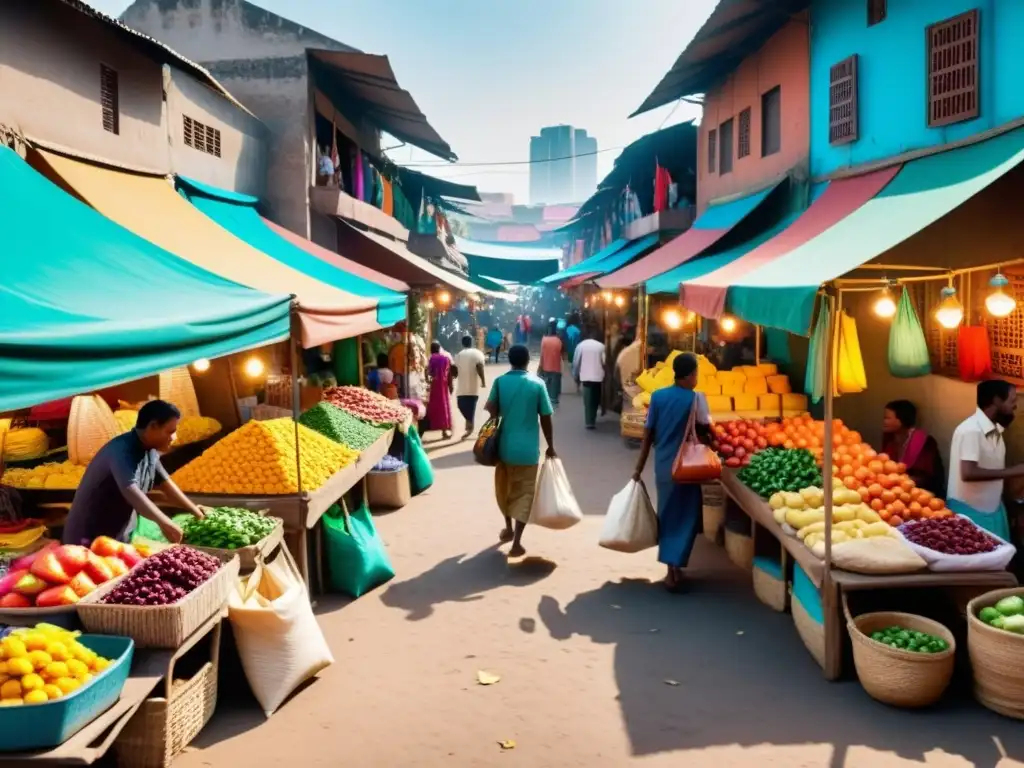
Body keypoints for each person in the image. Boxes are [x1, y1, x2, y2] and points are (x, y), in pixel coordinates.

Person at [63, 400, 204, 546]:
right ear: (153, 426)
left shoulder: (150, 451)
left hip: (117, 536)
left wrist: (194, 510)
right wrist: (164, 523)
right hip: (88, 539)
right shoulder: (121, 451)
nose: (174, 438)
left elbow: (166, 485)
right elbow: (132, 493)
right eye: (170, 432)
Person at [631, 354, 710, 591]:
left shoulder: (657, 397)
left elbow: (648, 435)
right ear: (689, 375)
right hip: (688, 466)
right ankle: (676, 565)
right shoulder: (696, 399)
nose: (697, 378)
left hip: (664, 466)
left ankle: (670, 571)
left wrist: (638, 468)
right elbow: (706, 430)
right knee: (687, 516)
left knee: (667, 514)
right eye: (696, 373)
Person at [485, 344, 556, 557]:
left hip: (503, 448)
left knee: (504, 490)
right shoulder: (538, 384)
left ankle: (507, 527)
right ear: (527, 361)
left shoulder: (499, 382)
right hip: (528, 451)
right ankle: (516, 541)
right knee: (524, 494)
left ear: (511, 361)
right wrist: (551, 446)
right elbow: (545, 417)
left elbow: (491, 410)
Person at [947, 379, 1024, 540]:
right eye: (1012, 401)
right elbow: (968, 473)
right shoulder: (971, 430)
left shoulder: (996, 431)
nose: (1015, 406)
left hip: (992, 509)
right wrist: (1015, 471)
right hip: (970, 513)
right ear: (996, 400)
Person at [881, 399, 944, 496]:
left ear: (900, 420)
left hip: (922, 495)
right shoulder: (889, 439)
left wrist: (900, 482)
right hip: (895, 493)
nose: (884, 421)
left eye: (887, 418)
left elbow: (926, 477)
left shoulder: (924, 441)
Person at [454, 334, 487, 439]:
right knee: (461, 405)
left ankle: (470, 426)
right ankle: (469, 423)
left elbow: (479, 367)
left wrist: (483, 381)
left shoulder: (475, 354)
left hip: (472, 386)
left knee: (468, 406)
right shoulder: (460, 355)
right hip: (464, 386)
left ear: (462, 343)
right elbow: (455, 369)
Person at [573, 328, 606, 430]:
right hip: (598, 376)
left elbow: (576, 361)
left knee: (587, 400)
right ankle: (593, 419)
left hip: (585, 376)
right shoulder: (601, 346)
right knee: (595, 399)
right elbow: (604, 362)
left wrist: (575, 374)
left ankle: (589, 421)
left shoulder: (581, 346)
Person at [425, 341, 454, 439]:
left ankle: (436, 427)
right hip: (444, 385)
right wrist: (451, 385)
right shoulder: (446, 358)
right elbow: (449, 373)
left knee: (434, 406)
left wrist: (427, 381)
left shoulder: (432, 358)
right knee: (445, 406)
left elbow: (429, 372)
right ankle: (446, 429)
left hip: (435, 385)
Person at [538, 319, 564, 407]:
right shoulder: (558, 340)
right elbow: (562, 354)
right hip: (556, 367)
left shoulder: (544, 340)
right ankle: (554, 401)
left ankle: (547, 401)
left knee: (547, 384)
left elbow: (542, 355)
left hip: (546, 366)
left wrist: (540, 366)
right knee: (555, 385)